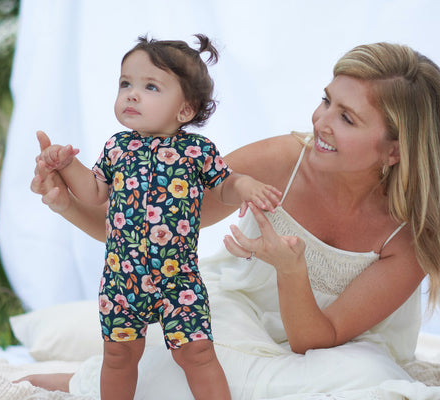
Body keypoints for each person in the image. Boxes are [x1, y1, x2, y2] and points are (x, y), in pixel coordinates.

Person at [23, 42, 440, 399]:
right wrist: (66, 203)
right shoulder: (281, 159)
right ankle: (86, 381)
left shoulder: (412, 238)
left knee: (368, 377)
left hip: (332, 348)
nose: (321, 122)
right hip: (240, 319)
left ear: (395, 151)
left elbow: (315, 341)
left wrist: (290, 269)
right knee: (194, 348)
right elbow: (143, 233)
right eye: (326, 100)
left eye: (347, 118)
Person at [32, 34, 282, 400]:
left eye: (150, 86)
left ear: (185, 110)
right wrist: (67, 165)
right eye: (125, 83)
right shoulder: (117, 148)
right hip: (122, 276)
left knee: (197, 351)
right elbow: (94, 192)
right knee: (118, 355)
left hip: (178, 278)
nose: (131, 93)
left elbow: (223, 187)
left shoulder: (197, 150)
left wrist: (241, 184)